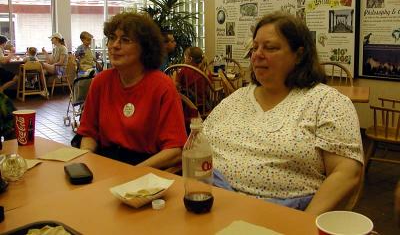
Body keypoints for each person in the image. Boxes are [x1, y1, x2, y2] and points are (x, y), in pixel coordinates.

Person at [203, 12, 363, 215]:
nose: (257, 55)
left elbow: (347, 172)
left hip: (285, 213)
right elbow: (198, 145)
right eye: (254, 47)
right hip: (215, 203)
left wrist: (303, 224)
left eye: (270, 48)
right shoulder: (235, 99)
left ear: (299, 55)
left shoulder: (327, 102)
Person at [75, 12, 187, 169]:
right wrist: (86, 158)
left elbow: (175, 150)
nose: (114, 45)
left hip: (146, 169)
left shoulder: (162, 86)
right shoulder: (101, 81)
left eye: (125, 40)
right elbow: (89, 133)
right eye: (112, 38)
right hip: (106, 164)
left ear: (145, 48)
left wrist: (132, 173)